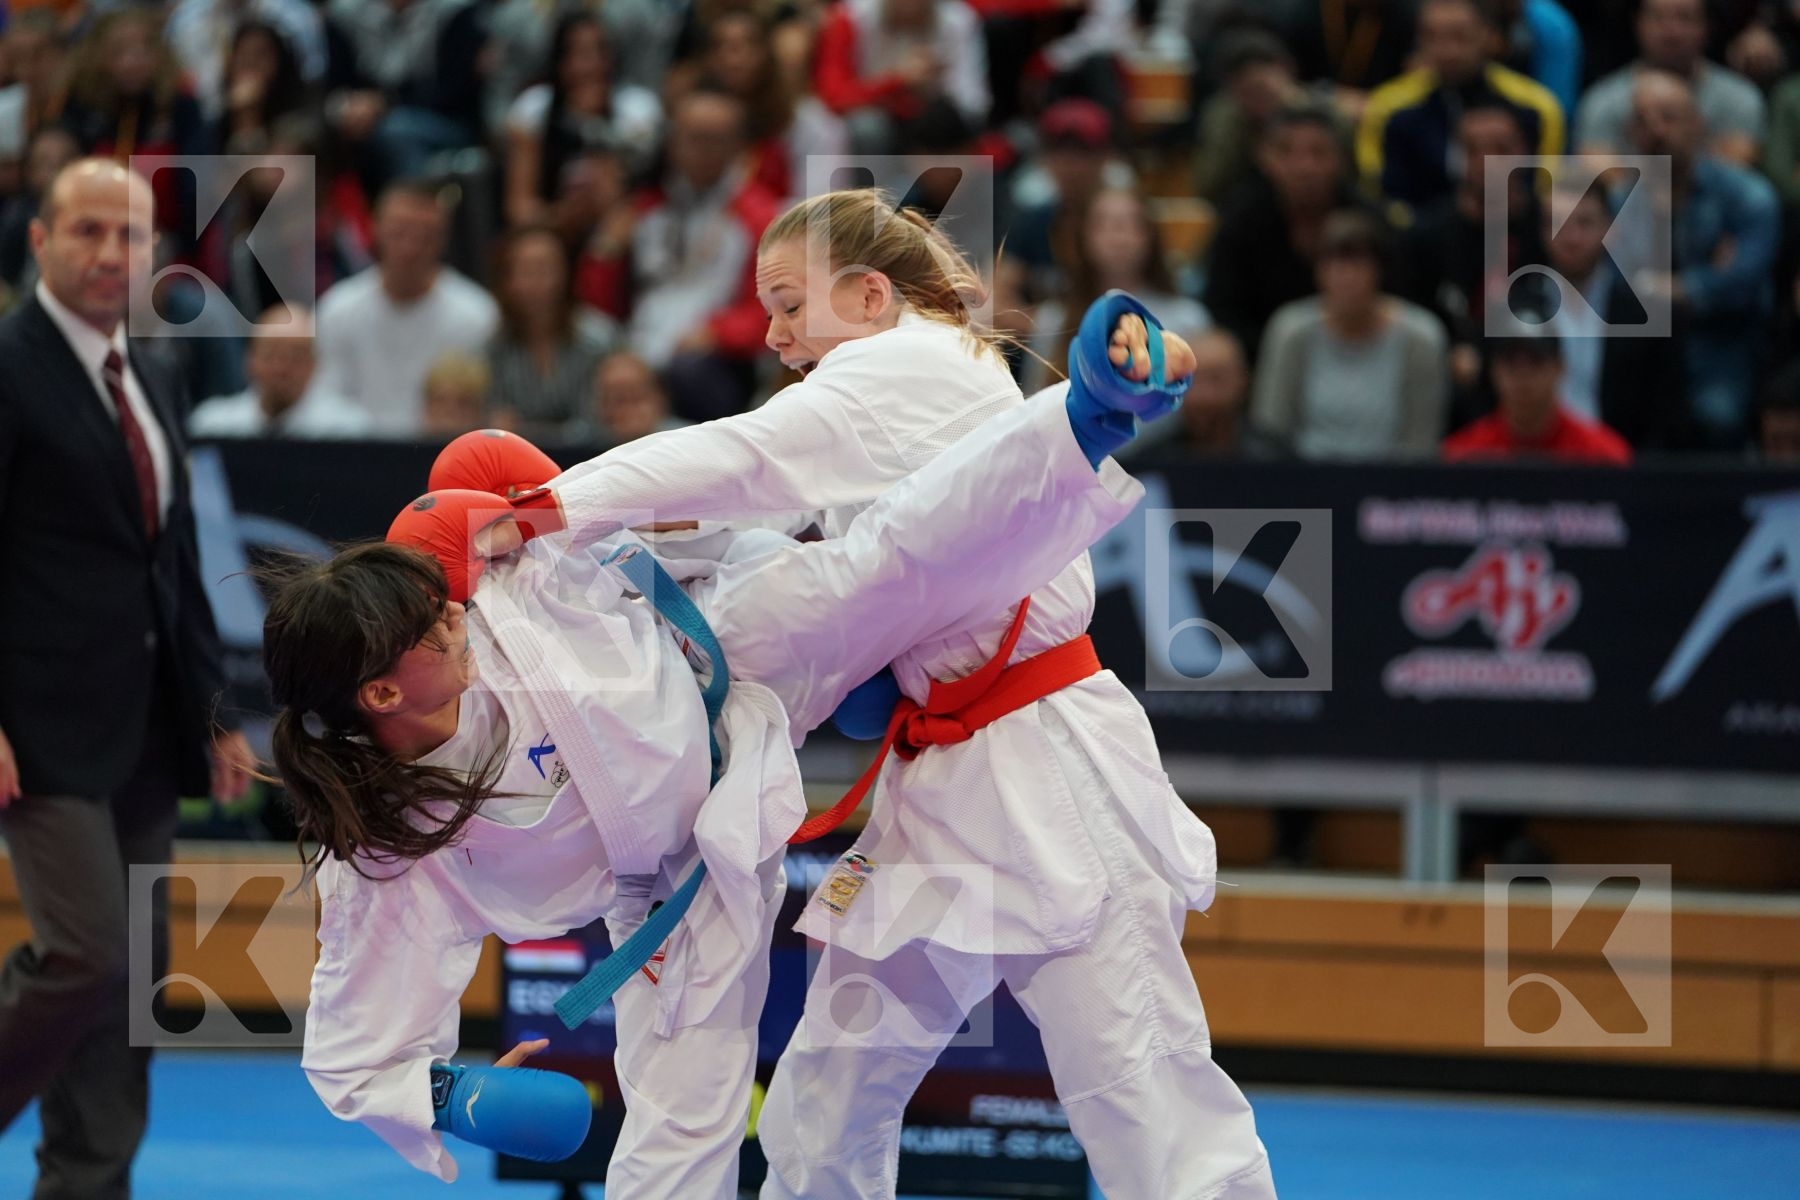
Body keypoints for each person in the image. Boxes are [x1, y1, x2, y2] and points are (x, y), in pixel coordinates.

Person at [283, 285, 1189, 1193]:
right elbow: (352, 1048)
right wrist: (450, 1094)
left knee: (882, 564)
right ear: (382, 691)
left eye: (441, 602)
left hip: (720, 644)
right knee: (686, 1122)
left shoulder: (500, 583)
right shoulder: (382, 842)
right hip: (682, 880)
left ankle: (1083, 419)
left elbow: (646, 509)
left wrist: (612, 514)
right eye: (429, 628)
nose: (452, 614)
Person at [554, 187, 1275, 1200]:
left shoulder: (899, 361)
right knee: (825, 1102)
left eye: (790, 302)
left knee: (1146, 1099)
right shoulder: (890, 388)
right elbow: (782, 535)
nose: (772, 332)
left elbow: (741, 462)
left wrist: (550, 505)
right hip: (937, 779)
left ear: (869, 292)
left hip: (1047, 765)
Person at [0, 158, 253, 1198]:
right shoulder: (9, 366)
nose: (112, 254)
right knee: (88, 954)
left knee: (132, 985)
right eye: (90, 231)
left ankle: (87, 1187)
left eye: (132, 236)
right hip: (38, 726)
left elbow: (175, 560)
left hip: (148, 725)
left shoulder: (153, 369)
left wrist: (214, 712)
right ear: (39, 242)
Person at [1630, 69, 1779, 449]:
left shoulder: (1747, 195)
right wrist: (1706, 278)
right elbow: (1618, 291)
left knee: (1716, 415)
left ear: (1697, 125)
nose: (1657, 130)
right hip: (1644, 350)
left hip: (1723, 343)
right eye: (1643, 120)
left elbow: (1740, 286)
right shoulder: (1620, 201)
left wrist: (1661, 288)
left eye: (1669, 117)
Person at [1252, 207, 1451, 459]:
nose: (1347, 278)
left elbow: (1421, 443)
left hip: (1388, 488)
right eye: (1335, 265)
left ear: (1379, 271)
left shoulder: (1421, 337)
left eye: (1358, 266)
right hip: (1303, 484)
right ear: (1318, 272)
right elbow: (1271, 432)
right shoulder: (1290, 331)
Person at [313, 181, 499, 436]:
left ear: (443, 238)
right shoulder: (337, 309)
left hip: (441, 451)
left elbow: (479, 408)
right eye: (399, 232)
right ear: (375, 229)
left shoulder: (477, 315)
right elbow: (325, 398)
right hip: (354, 452)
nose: (410, 248)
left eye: (424, 235)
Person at [1356, 0, 1564, 213]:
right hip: (1415, 237)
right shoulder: (1388, 109)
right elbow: (1381, 198)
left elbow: (1543, 194)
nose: (1447, 50)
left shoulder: (1535, 107)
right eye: (1432, 37)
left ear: (1488, 36)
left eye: (1459, 36)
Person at [1205, 102, 1369, 364]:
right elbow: (1223, 311)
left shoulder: (1368, 220)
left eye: (1318, 153)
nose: (1304, 167)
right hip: (1259, 363)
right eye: (1286, 152)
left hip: (1360, 356)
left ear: (1340, 158)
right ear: (1264, 158)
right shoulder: (1240, 221)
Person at [1025, 185, 1211, 401]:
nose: (1117, 236)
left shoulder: (1189, 318)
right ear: (1082, 237)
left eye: (1130, 224)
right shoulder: (1053, 319)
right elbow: (1035, 403)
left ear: (1150, 236)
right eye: (1103, 225)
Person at [501, 13, 662, 233]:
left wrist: (595, 124)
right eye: (579, 54)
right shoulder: (534, 108)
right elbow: (519, 208)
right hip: (555, 229)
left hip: (623, 227)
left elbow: (647, 190)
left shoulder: (639, 108)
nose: (591, 65)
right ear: (559, 61)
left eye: (600, 52)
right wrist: (562, 217)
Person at [1574, 0, 1766, 166]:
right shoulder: (1603, 99)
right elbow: (1599, 170)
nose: (1671, 32)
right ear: (1637, 23)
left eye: (1685, 18)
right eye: (1658, 18)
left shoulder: (1739, 97)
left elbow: (1736, 165)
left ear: (1707, 26)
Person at [485, 225, 622, 442]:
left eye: (545, 269)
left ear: (566, 274)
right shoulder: (492, 346)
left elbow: (604, 420)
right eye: (526, 271)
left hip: (591, 460)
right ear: (508, 280)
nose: (538, 282)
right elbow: (492, 420)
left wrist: (524, 431)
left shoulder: (600, 340)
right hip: (514, 465)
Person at [1442, 324, 1633, 463]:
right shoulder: (1462, 457)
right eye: (1511, 364)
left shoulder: (1604, 457)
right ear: (1494, 371)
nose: (1523, 376)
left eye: (1536, 362)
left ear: (1560, 368)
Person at [188, 307, 372, 439]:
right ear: (250, 360)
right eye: (271, 354)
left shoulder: (347, 431)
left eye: (295, 356)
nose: (281, 368)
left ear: (314, 365)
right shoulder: (211, 426)